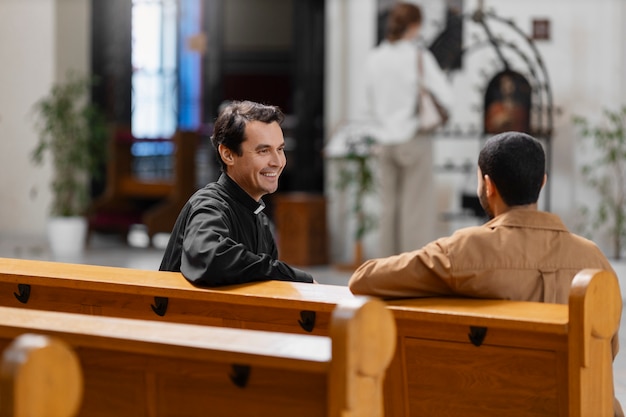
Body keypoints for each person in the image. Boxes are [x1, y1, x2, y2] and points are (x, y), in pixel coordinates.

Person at [349, 131, 623, 416]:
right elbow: (608, 350)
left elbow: (364, 279)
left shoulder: (465, 250)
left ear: (488, 186)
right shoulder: (595, 260)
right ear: (542, 182)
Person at [159, 100, 314, 286]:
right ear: (228, 154)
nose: (277, 161)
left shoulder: (261, 221)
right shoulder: (209, 205)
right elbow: (210, 258)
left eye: (280, 149)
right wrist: (292, 275)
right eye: (263, 151)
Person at [364, 2, 453, 257]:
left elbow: (368, 104)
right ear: (414, 26)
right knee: (415, 209)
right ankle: (411, 270)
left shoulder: (375, 58)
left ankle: (386, 269)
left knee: (387, 209)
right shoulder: (418, 56)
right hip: (414, 137)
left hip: (384, 141)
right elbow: (446, 96)